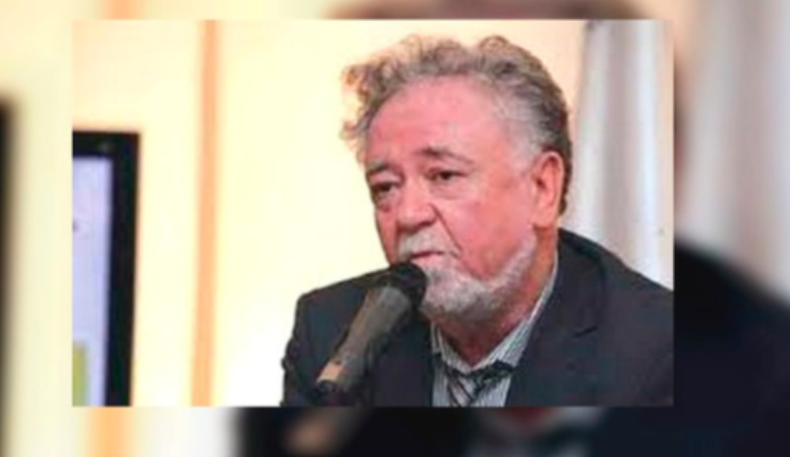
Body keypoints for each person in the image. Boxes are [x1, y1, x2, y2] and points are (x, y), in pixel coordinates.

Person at [280, 35, 673, 407]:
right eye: (385, 187)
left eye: (443, 176)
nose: (408, 214)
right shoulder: (329, 334)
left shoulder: (656, 350)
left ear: (542, 188)